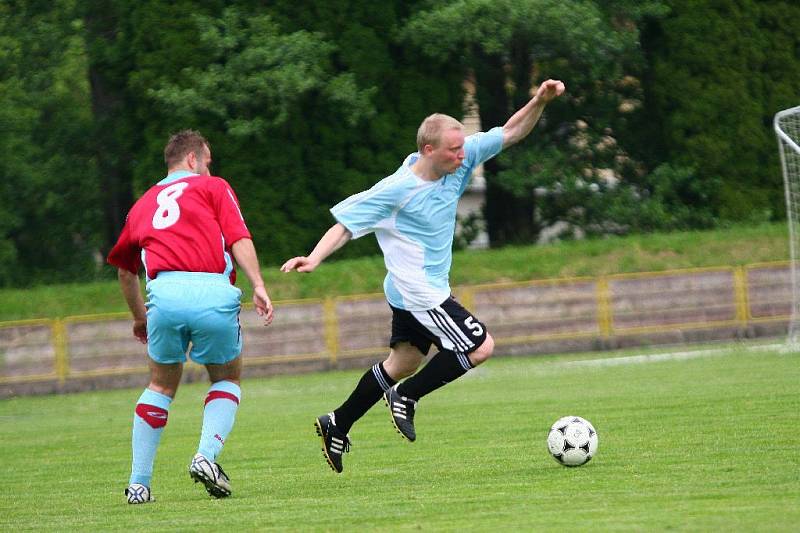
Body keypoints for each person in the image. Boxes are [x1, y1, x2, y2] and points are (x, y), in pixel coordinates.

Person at [281, 79, 566, 473]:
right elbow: (346, 224)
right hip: (419, 293)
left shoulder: (460, 156)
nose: (462, 155)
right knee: (479, 347)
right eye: (453, 150)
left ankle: (338, 423)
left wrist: (540, 100)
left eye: (462, 146)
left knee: (403, 361)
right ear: (428, 150)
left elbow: (512, 131)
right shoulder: (398, 189)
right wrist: (313, 258)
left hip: (408, 289)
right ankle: (407, 398)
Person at [107, 130, 274, 503]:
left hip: (163, 294)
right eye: (209, 161)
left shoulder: (144, 203)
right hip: (212, 290)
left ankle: (138, 485)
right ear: (194, 160)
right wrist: (259, 284)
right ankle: (206, 456)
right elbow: (238, 238)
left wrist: (139, 318)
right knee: (227, 376)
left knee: (161, 384)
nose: (211, 169)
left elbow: (125, 270)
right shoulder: (213, 188)